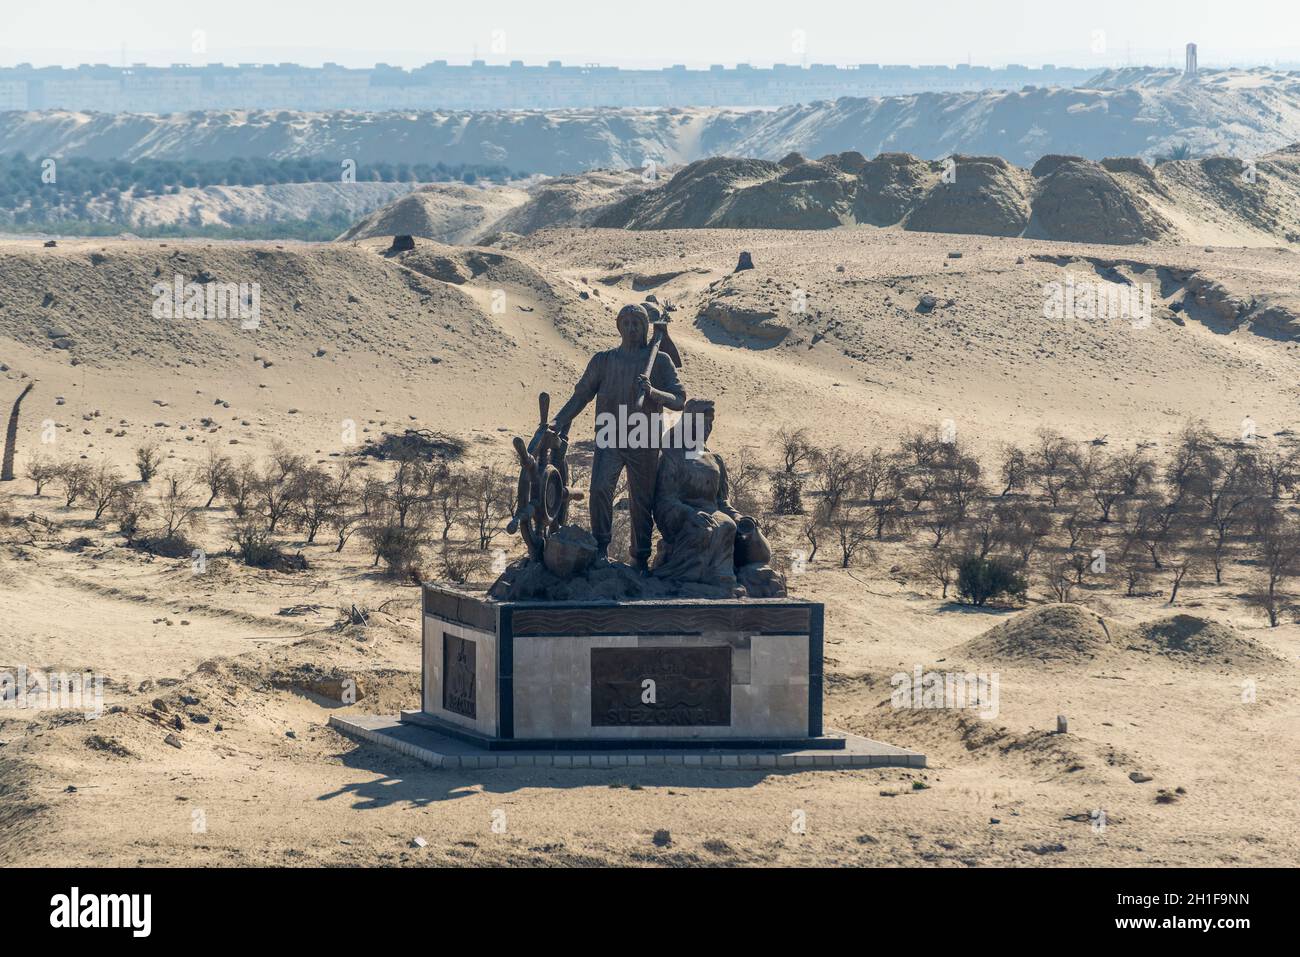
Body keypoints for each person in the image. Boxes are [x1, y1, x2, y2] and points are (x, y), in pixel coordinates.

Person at [551, 303, 686, 569]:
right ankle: (601, 548)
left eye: (637, 323)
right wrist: (558, 421)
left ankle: (640, 558)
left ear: (646, 328)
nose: (631, 328)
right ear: (619, 326)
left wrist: (653, 393)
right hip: (610, 435)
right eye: (626, 323)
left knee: (642, 499)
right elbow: (581, 396)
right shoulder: (604, 360)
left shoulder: (658, 360)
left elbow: (679, 399)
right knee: (600, 488)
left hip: (644, 438)